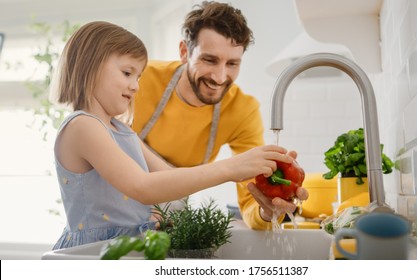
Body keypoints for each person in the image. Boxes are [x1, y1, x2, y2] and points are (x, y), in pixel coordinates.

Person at [50, 21, 295, 249]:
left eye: (138, 77)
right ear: (90, 67)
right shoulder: (83, 126)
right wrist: (231, 168)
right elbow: (142, 186)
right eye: (127, 73)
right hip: (91, 254)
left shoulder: (123, 131)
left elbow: (170, 181)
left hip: (127, 249)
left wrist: (263, 175)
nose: (136, 85)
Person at [132, 1, 307, 230]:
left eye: (232, 63)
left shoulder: (242, 110)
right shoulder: (141, 79)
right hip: (110, 212)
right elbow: (110, 141)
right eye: (209, 60)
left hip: (166, 224)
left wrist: (266, 211)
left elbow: (249, 202)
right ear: (185, 52)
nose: (220, 77)